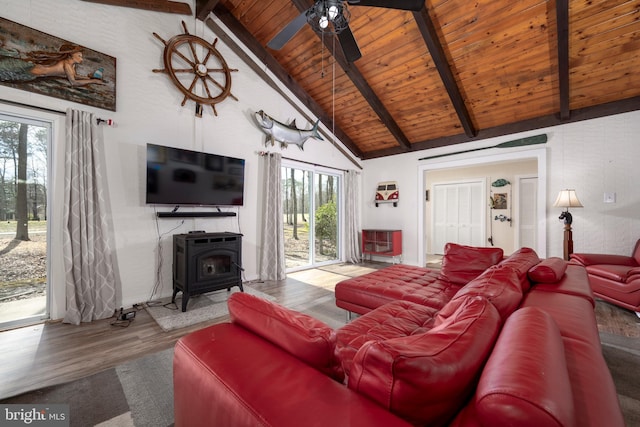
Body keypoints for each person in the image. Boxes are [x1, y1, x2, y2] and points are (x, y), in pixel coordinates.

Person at [0, 43, 104, 87]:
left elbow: (74, 75)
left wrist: (87, 77)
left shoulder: (71, 66)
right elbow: (73, 82)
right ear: (71, 55)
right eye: (79, 56)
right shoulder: (66, 64)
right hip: (26, 68)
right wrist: (93, 81)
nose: (82, 58)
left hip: (30, 74)